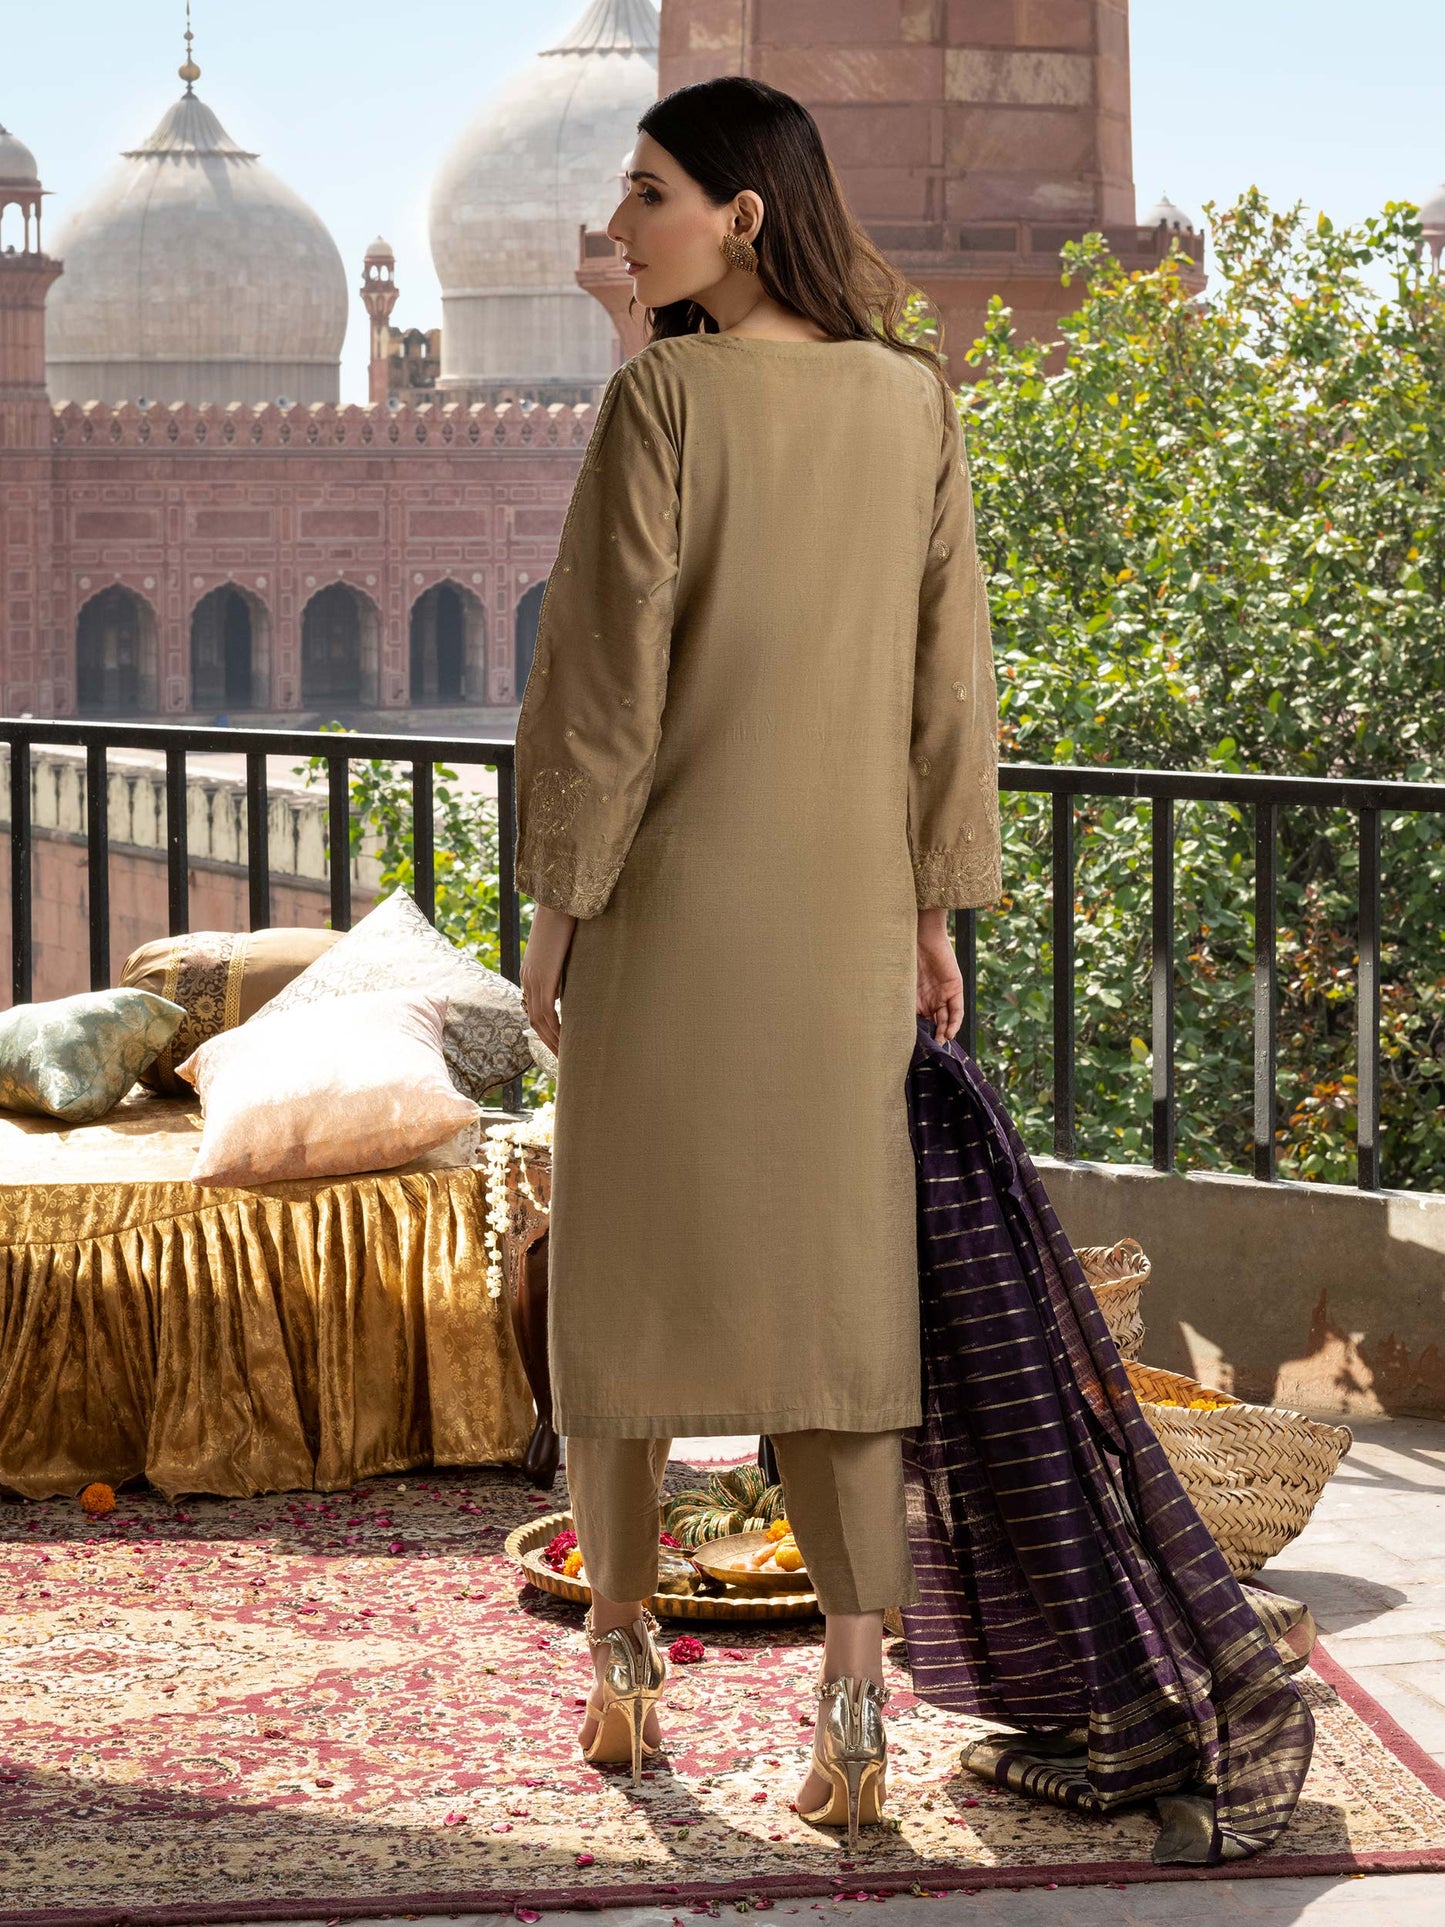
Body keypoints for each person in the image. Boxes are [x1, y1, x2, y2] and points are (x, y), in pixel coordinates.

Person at [514, 75, 999, 1848]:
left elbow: (602, 678)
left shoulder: (663, 398)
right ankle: (853, 1711)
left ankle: (624, 1667)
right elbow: (949, 677)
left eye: (647, 193)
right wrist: (930, 908)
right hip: (845, 923)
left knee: (625, 1292)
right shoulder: (911, 398)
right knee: (837, 1309)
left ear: (740, 212)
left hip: (667, 913)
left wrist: (556, 908)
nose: (618, 225)